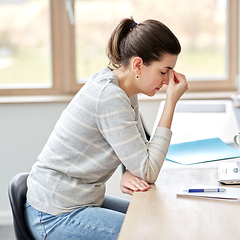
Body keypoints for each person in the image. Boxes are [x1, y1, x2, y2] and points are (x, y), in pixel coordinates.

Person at [24, 17, 188, 240]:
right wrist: (170, 103)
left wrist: (131, 170)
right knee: (149, 233)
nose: (168, 80)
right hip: (54, 213)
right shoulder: (110, 97)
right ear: (138, 64)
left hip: (80, 200)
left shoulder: (123, 90)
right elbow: (148, 170)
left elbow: (141, 158)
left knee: (155, 218)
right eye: (163, 71)